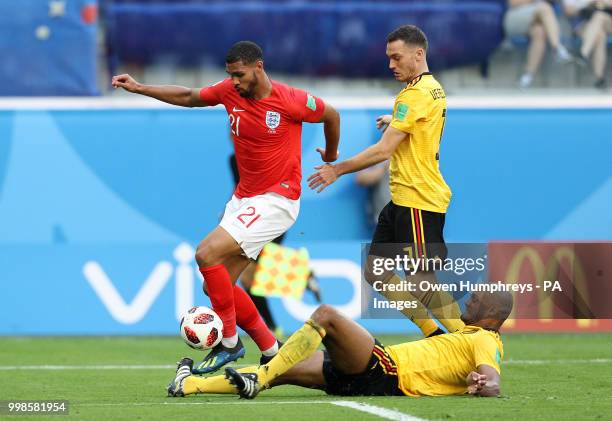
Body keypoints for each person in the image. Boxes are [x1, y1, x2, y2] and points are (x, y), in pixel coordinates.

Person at [112, 41, 340, 374]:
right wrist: (139, 87)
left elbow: (331, 115)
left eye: (239, 74)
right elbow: (189, 97)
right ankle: (270, 348)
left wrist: (332, 156)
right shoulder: (230, 92)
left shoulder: (290, 100)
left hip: (277, 200)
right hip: (244, 199)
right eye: (230, 75)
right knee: (216, 285)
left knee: (206, 254)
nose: (233, 81)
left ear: (258, 67)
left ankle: (228, 344)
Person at [307, 25, 463, 338]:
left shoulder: (414, 96)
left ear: (418, 54)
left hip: (419, 199)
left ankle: (472, 343)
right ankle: (434, 334)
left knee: (422, 283)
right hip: (402, 200)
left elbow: (384, 150)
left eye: (396, 57)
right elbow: (423, 119)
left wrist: (338, 169)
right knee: (376, 272)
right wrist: (395, 119)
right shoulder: (431, 88)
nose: (391, 64)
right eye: (389, 58)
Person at [167, 290, 513, 399]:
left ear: (493, 314)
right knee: (283, 373)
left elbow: (492, 379)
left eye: (477, 301)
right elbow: (423, 320)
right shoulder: (461, 336)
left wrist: (486, 383)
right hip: (366, 378)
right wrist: (388, 282)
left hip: (385, 368)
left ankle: (265, 371)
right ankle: (190, 384)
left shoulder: (485, 339)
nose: (469, 302)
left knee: (328, 315)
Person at [504, 0, 574, 88]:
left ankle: (527, 78)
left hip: (534, 21)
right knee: (545, 8)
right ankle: (557, 48)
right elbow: (513, 3)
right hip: (514, 17)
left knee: (540, 32)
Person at [563, 0, 612, 88]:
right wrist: (589, 5)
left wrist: (604, 3)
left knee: (599, 16)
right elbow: (568, 11)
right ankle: (599, 78)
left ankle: (583, 53)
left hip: (608, 21)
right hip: (586, 24)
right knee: (600, 35)